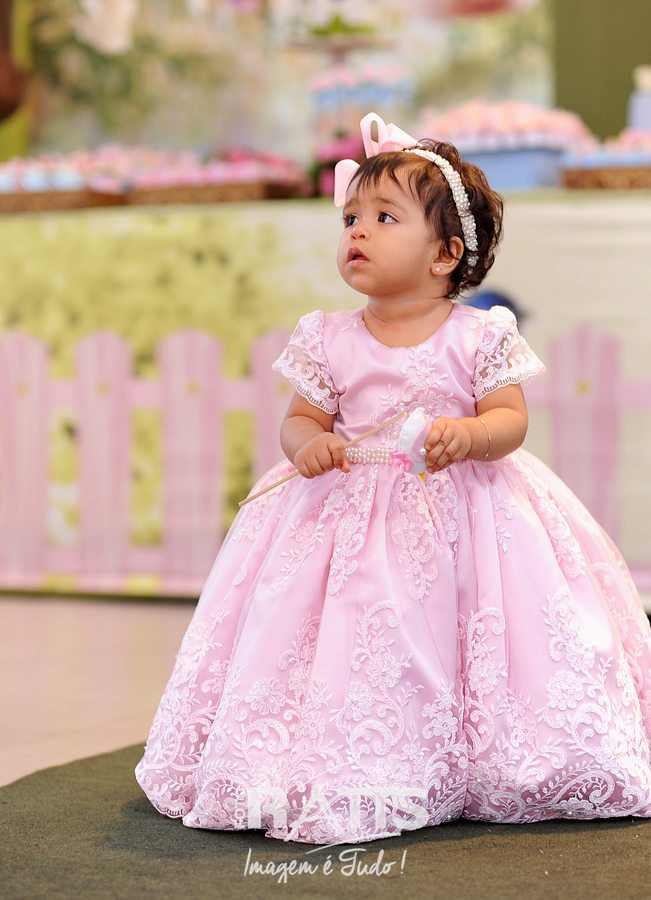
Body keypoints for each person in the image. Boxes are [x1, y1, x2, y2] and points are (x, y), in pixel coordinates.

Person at [134, 112, 651, 844]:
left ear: (445, 253)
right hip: (347, 515)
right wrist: (308, 444)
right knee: (355, 635)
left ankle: (484, 755)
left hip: (463, 510)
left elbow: (509, 419)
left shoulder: (479, 333)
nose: (358, 232)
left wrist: (469, 435)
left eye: (383, 217)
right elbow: (301, 418)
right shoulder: (328, 336)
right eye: (350, 218)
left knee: (474, 630)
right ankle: (351, 752)